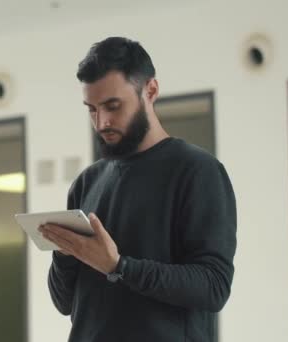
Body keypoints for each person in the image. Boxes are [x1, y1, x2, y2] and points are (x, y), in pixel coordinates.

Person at [39, 37, 237, 341]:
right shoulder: (86, 182)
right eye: (92, 109)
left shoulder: (198, 171)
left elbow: (213, 287)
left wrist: (118, 266)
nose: (102, 121)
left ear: (151, 91)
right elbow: (65, 303)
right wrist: (66, 255)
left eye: (113, 106)